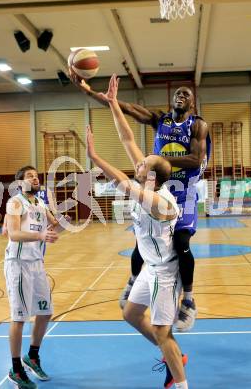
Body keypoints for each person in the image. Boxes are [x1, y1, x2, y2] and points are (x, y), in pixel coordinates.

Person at [70, 72, 211, 331]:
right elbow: (130, 110)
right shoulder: (161, 119)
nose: (180, 95)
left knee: (181, 242)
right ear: (171, 100)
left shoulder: (197, 125)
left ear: (192, 103)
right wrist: (95, 95)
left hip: (183, 190)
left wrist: (158, 161)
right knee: (142, 240)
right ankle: (134, 280)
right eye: (177, 93)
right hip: (159, 182)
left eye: (186, 94)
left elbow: (194, 160)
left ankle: (188, 299)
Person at [86, 73, 189, 389]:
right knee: (131, 314)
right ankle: (172, 356)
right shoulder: (147, 180)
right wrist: (114, 104)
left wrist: (94, 158)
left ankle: (180, 379)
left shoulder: (161, 202)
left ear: (151, 175)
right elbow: (128, 138)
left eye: (144, 163)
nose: (138, 162)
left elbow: (120, 181)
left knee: (162, 331)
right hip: (150, 267)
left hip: (166, 274)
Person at [5, 166, 60, 389]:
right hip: (18, 265)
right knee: (19, 318)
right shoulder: (15, 202)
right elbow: (15, 234)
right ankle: (16, 369)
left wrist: (62, 223)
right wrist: (40, 234)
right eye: (30, 176)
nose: (35, 177)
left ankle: (32, 356)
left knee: (46, 312)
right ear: (20, 183)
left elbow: (52, 229)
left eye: (36, 175)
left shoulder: (40, 204)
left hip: (37, 264)